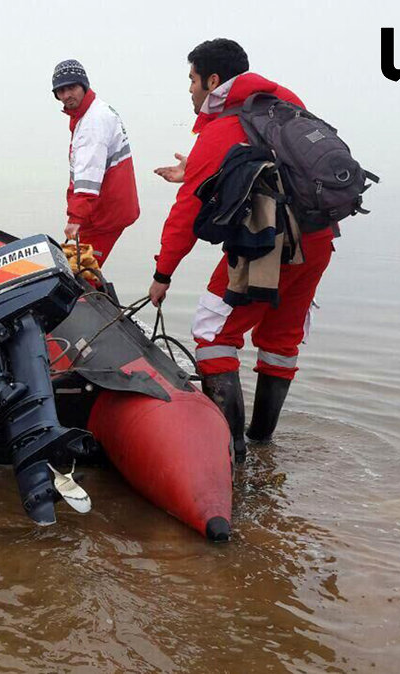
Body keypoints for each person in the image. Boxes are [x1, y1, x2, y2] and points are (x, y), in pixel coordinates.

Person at [148, 39, 335, 462]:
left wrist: (163, 273)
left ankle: (230, 454)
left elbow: (186, 216)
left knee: (213, 333)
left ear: (213, 81)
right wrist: (192, 170)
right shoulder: (285, 104)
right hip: (318, 239)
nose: (190, 90)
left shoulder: (223, 127)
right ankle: (263, 444)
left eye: (193, 80)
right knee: (281, 339)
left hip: (267, 245)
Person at [51, 59, 140, 266]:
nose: (66, 96)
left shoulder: (93, 122)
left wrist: (75, 218)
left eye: (71, 88)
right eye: (60, 91)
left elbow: (89, 174)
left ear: (83, 85)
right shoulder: (93, 112)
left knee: (80, 270)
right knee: (83, 266)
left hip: (103, 214)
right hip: (105, 207)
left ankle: (92, 293)